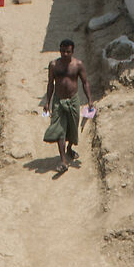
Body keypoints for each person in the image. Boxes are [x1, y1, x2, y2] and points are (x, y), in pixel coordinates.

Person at [43, 39, 89, 171]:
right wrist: (47, 101)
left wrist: (90, 100)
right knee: (59, 130)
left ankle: (69, 148)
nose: (64, 54)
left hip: (73, 100)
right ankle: (63, 160)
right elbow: (50, 83)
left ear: (72, 51)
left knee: (73, 128)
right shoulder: (53, 65)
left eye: (67, 52)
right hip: (58, 101)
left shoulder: (78, 65)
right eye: (62, 51)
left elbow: (85, 82)